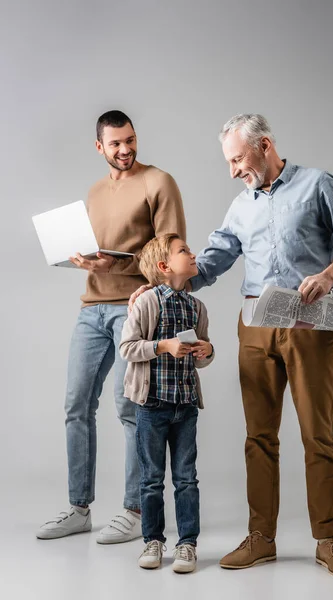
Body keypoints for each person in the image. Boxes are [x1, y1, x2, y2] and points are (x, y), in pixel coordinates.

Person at [129, 114, 333, 578]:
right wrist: (155, 284)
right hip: (255, 327)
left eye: (238, 159)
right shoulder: (240, 207)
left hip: (309, 326)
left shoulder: (318, 185)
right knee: (259, 437)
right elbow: (209, 263)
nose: (233, 170)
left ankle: (328, 539)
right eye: (229, 162)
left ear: (264, 145)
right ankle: (261, 537)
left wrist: (328, 275)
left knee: (317, 435)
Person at [36, 110, 186, 544]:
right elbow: (98, 249)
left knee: (128, 408)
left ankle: (134, 509)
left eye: (130, 140)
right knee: (76, 405)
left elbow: (171, 254)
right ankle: (79, 508)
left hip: (135, 306)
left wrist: (116, 264)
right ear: (99, 147)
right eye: (115, 144)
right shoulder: (95, 191)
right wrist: (82, 259)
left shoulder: (159, 182)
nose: (125, 150)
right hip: (91, 308)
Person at [120, 234, 214, 572]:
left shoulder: (197, 307)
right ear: (164, 266)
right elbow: (127, 348)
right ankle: (153, 542)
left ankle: (187, 544)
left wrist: (207, 351)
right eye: (183, 251)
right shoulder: (147, 303)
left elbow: (201, 356)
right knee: (151, 478)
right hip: (153, 406)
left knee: (187, 478)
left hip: (186, 406)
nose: (192, 254)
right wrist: (164, 346)